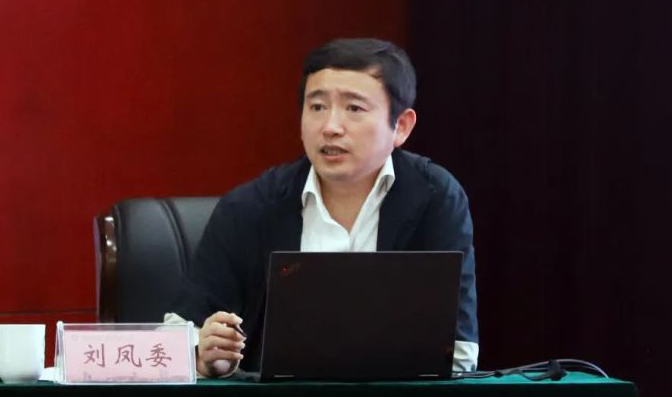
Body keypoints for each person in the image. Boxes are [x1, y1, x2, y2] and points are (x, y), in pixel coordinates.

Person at [169, 38, 478, 377]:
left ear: (400, 126)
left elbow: (459, 352)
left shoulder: (435, 199)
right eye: (317, 107)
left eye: (354, 109)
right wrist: (207, 355)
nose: (330, 127)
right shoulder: (250, 207)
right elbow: (176, 340)